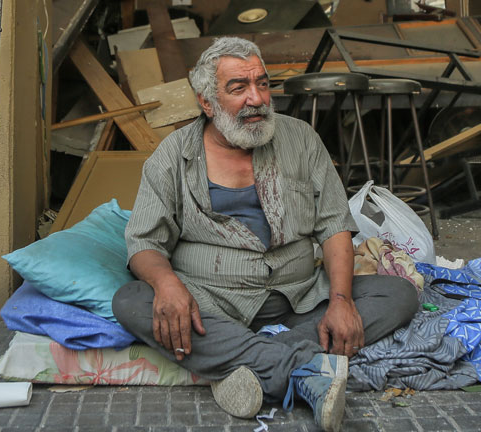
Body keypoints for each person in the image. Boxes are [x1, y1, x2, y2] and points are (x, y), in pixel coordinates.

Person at [112, 37, 420, 432]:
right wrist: (167, 283)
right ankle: (301, 369)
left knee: (398, 293)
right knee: (132, 299)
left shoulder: (301, 139)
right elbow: (144, 243)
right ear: (207, 103)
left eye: (262, 83)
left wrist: (341, 300)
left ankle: (246, 364)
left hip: (300, 297)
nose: (256, 98)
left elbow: (333, 226)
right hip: (210, 304)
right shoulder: (173, 156)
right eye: (238, 88)